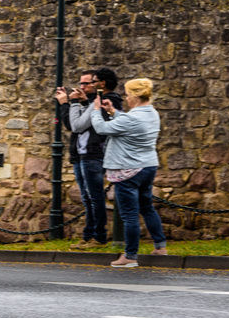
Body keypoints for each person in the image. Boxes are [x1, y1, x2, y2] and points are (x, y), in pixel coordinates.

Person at [90, 78, 167, 268]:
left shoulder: (132, 118)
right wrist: (113, 112)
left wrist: (96, 110)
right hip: (148, 166)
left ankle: (130, 256)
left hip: (128, 169)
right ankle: (160, 247)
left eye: (127, 94)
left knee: (129, 215)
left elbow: (101, 128)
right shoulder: (152, 113)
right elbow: (126, 123)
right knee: (147, 207)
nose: (126, 98)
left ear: (134, 95)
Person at [58, 68, 123, 248]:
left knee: (95, 197)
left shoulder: (105, 101)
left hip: (93, 153)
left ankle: (99, 236)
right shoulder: (93, 102)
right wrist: (80, 103)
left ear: (101, 84)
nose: (85, 86)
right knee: (87, 197)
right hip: (81, 153)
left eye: (89, 82)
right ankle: (89, 234)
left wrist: (69, 103)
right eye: (83, 83)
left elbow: (76, 126)